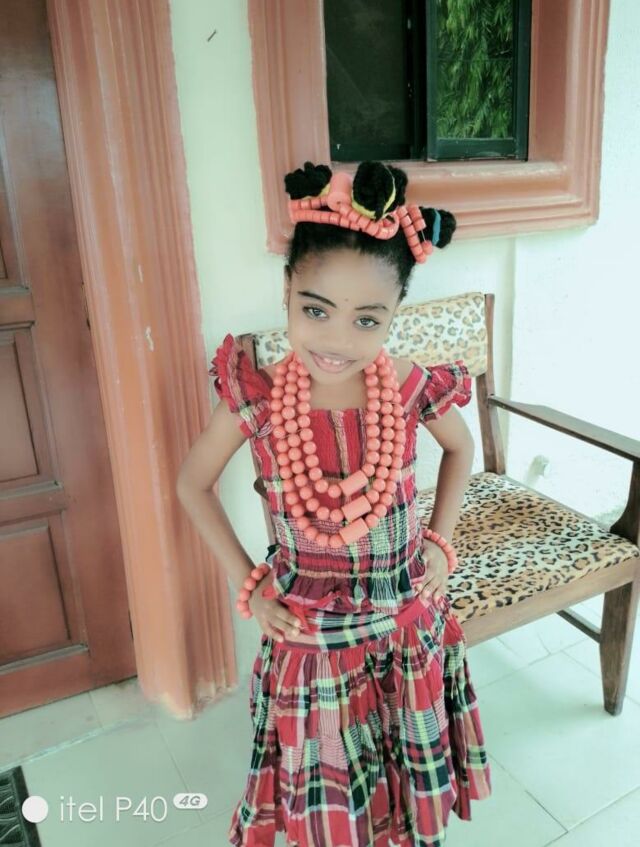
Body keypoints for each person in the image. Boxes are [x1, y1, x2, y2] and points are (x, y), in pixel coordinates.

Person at [177, 160, 492, 847]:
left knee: (401, 768)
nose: (337, 340)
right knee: (329, 786)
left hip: (404, 619)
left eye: (366, 319)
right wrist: (250, 585)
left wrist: (440, 542)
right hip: (310, 636)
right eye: (315, 310)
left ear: (394, 313)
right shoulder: (261, 397)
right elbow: (191, 484)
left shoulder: (406, 386)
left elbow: (462, 449)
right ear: (287, 290)